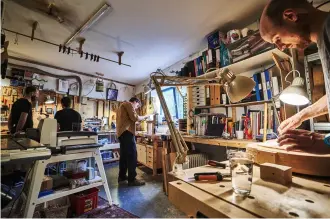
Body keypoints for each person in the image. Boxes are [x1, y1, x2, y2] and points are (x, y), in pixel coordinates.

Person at [260, 0, 330, 154]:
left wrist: (326, 142)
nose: (281, 47)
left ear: (291, 16)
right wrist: (300, 116)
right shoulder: (324, 38)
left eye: (277, 39)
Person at [116, 97, 153, 186]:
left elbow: (129, 120)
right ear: (135, 102)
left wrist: (136, 122)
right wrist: (146, 116)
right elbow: (135, 117)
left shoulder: (122, 106)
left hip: (122, 134)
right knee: (132, 155)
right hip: (127, 133)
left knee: (124, 156)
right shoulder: (128, 104)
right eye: (137, 106)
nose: (136, 108)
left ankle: (122, 176)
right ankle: (132, 179)